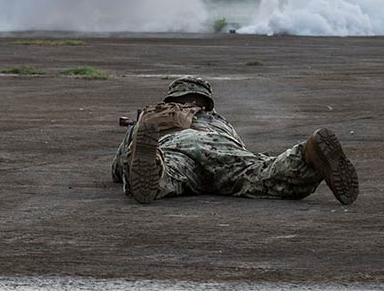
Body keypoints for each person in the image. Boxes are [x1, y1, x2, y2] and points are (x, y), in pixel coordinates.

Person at [111, 76, 359, 205]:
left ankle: (154, 163)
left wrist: (135, 151)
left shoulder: (151, 116)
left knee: (168, 177)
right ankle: (307, 154)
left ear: (170, 98)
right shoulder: (217, 118)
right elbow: (238, 147)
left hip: (175, 149)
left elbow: (119, 166)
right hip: (218, 146)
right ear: (205, 101)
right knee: (261, 173)